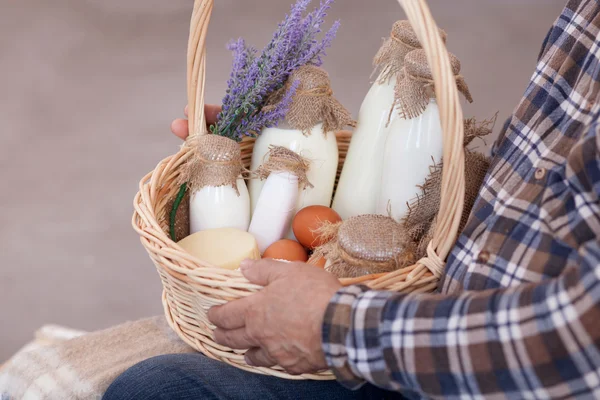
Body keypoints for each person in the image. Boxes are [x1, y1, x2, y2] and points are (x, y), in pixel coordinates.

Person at [104, 1, 600, 398]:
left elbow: (579, 337)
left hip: (470, 357)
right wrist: (238, 152)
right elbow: (539, 190)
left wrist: (333, 327)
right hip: (434, 324)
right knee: (152, 387)